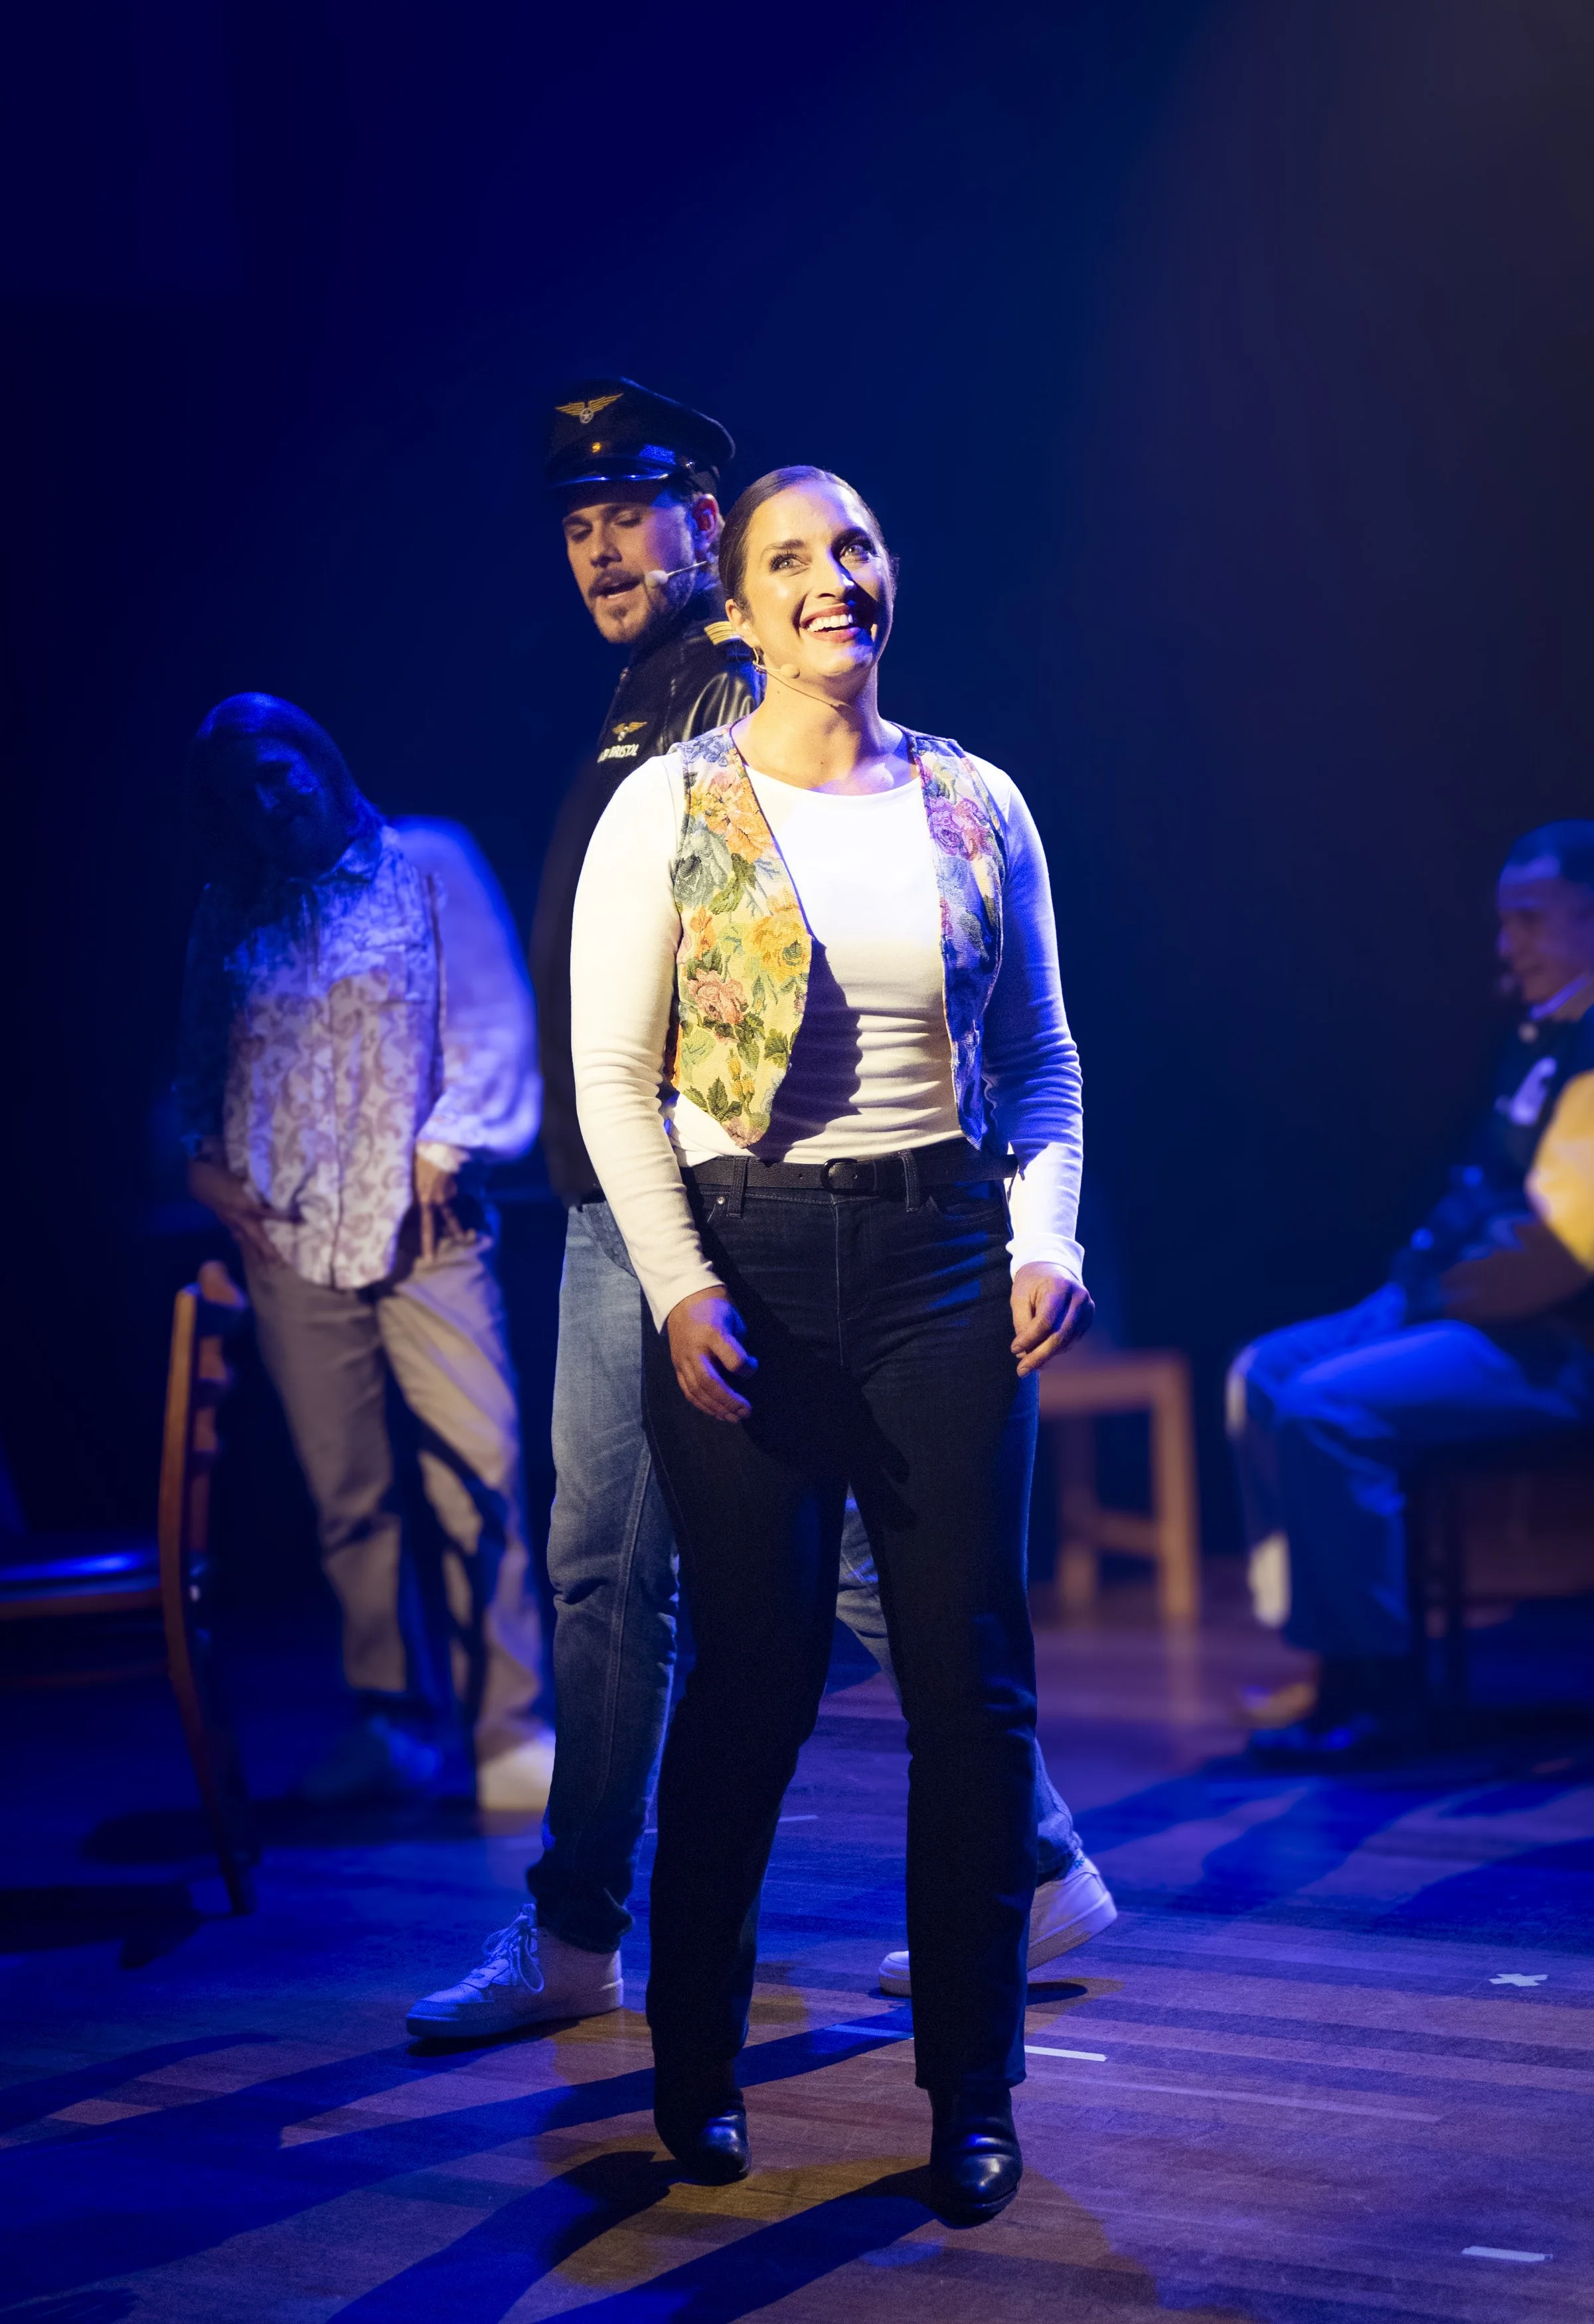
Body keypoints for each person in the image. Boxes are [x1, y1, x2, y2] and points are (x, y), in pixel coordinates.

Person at [409, 390, 1110, 2039]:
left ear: (704, 536)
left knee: (742, 1582)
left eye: (630, 514)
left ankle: (620, 1923)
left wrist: (1029, 1228)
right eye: (572, 522)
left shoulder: (758, 698)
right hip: (650, 1204)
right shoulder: (642, 711)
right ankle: (618, 1933)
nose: (596, 545)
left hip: (747, 1216)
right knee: (679, 1578)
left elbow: (1020, 1044)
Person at [569, 463, 1093, 2222]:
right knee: (758, 1672)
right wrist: (679, 1283)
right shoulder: (672, 803)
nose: (831, 578)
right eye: (788, 559)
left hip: (942, 1256)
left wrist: (1045, 1234)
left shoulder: (975, 797)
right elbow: (614, 1082)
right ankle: (695, 2066)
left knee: (972, 1684)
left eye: (856, 546)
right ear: (736, 608)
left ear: (888, 577)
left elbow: (1039, 1062)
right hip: (755, 1264)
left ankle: (971, 2086)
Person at [177, 695, 555, 1808]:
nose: (272, 795)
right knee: (349, 1497)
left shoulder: (425, 861)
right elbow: (196, 1068)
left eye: (281, 766)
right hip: (287, 1234)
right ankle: (391, 1723)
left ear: (320, 755)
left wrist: (452, 1144)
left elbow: (492, 1023)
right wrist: (197, 1159)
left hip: (426, 1230)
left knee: (477, 1475)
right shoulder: (229, 908)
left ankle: (508, 1727)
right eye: (244, 786)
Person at [1234, 821, 1594, 1765]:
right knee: (1262, 1372)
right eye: (1503, 922)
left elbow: (1560, 1249)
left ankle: (1386, 1694)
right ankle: (1332, 1662)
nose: (1508, 944)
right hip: (1499, 1318)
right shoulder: (1553, 1026)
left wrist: (1420, 1306)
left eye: (1530, 922)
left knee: (1325, 1406)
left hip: (1590, 1350)